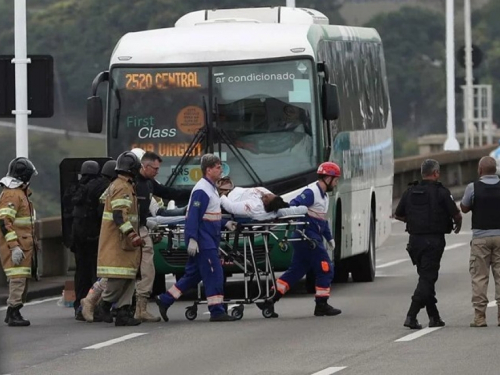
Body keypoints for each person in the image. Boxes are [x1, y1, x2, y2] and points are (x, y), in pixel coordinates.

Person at [155, 153, 238, 322]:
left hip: (207, 237)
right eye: (217, 167)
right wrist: (192, 238)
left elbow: (210, 214)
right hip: (203, 240)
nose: (220, 169)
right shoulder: (202, 190)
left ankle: (165, 299)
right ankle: (216, 311)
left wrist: (225, 224)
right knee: (215, 272)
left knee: (194, 275)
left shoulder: (210, 187)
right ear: (208, 170)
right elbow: (193, 215)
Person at [257, 161, 342, 318]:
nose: (336, 183)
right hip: (307, 238)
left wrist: (329, 238)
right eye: (335, 179)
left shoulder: (324, 197)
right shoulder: (311, 193)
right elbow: (293, 207)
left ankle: (269, 299)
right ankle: (321, 304)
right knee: (325, 268)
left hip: (309, 237)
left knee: (296, 271)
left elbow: (322, 221)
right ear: (327, 178)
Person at [394, 159, 462, 329]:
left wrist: (414, 221)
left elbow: (398, 214)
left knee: (426, 278)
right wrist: (457, 226)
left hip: (415, 241)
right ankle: (411, 315)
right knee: (427, 279)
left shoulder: (410, 191)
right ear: (436, 173)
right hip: (433, 241)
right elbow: (456, 214)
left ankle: (434, 317)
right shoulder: (442, 192)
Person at [131, 149, 191, 323]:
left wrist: (193, 192)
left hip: (140, 227)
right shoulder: (133, 183)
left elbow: (168, 192)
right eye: (155, 169)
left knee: (147, 268)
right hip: (129, 230)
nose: (157, 172)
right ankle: (94, 301)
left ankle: (140, 308)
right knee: (122, 271)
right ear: (145, 165)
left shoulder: (149, 183)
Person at [94, 151, 143, 326]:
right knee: (118, 279)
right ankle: (104, 306)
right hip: (120, 241)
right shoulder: (122, 187)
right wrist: (131, 234)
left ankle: (123, 312)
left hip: (126, 243)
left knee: (129, 278)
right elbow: (119, 215)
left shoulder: (123, 185)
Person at [460, 156, 500, 327]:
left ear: (480, 170)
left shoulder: (473, 187)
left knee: (479, 278)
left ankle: (480, 317)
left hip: (480, 238)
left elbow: (464, 207)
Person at [0, 157, 38, 327]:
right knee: (17, 279)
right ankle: (13, 311)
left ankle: (13, 311)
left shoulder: (19, 193)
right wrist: (14, 247)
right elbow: (4, 221)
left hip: (24, 246)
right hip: (17, 246)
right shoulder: (12, 194)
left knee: (21, 279)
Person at [79, 159, 117, 322]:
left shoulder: (82, 187)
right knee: (110, 273)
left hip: (82, 236)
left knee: (86, 273)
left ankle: (89, 305)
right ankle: (93, 303)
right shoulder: (107, 188)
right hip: (104, 236)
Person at [70, 160, 101, 321]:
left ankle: (79, 307)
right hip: (93, 238)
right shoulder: (97, 187)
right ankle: (93, 305)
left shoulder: (76, 189)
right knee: (95, 274)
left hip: (78, 238)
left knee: (81, 274)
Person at [216, 176, 306, 221]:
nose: (267, 194)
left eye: (268, 196)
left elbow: (231, 207)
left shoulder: (254, 207)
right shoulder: (272, 202)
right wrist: (306, 209)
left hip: (229, 194)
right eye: (271, 194)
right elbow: (291, 210)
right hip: (235, 188)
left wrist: (221, 194)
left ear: (266, 203)